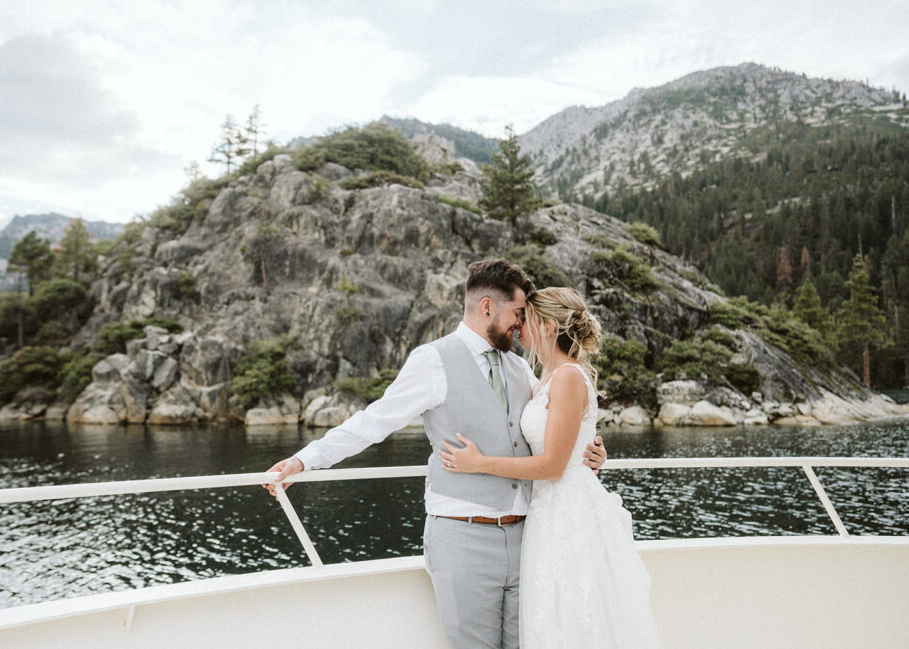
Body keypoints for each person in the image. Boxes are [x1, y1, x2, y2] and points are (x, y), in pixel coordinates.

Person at [263, 259, 608, 648]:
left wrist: (590, 451)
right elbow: (374, 420)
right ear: (487, 308)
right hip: (463, 537)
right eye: (516, 313)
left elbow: (551, 429)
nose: (520, 324)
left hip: (530, 536)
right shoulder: (432, 360)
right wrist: (305, 459)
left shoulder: (520, 368)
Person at [439, 287, 662, 648]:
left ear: (545, 326)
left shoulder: (568, 377)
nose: (518, 326)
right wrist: (589, 454)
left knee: (574, 613)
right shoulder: (545, 377)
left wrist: (479, 463)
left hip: (568, 512)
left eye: (525, 318)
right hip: (546, 511)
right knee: (551, 615)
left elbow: (554, 465)